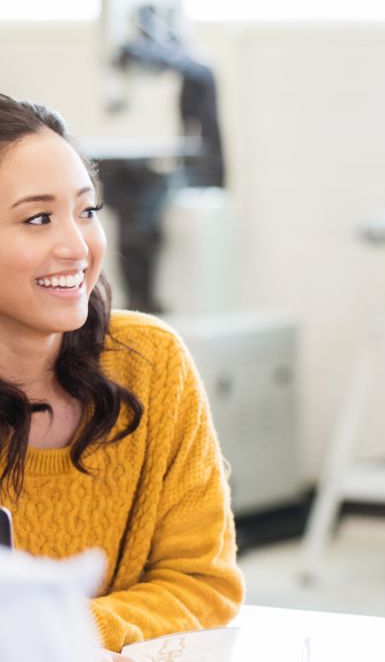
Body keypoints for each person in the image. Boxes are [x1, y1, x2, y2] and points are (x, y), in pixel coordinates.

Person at [0, 94, 244, 654]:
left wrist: (62, 635)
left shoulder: (151, 362)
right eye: (38, 218)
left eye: (86, 211)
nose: (77, 246)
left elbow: (204, 584)